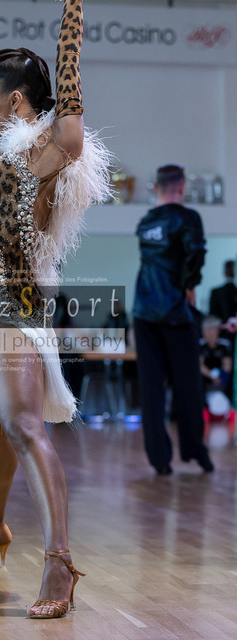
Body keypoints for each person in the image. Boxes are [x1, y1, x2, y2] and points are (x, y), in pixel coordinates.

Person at [0, 0, 111, 619]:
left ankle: (60, 562)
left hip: (16, 307)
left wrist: (71, 24)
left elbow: (71, 121)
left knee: (22, 426)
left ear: (15, 100)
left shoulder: (42, 150)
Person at [133, 164, 214, 476]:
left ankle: (159, 459)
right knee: (188, 385)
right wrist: (190, 285)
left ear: (156, 187)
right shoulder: (188, 218)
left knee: (151, 388)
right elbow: (196, 253)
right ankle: (195, 451)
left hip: (144, 311)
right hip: (176, 312)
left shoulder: (145, 223)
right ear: (181, 188)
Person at [209, 259, 237, 324]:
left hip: (220, 328)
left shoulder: (215, 292)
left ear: (224, 273)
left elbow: (212, 317)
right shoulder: (233, 291)